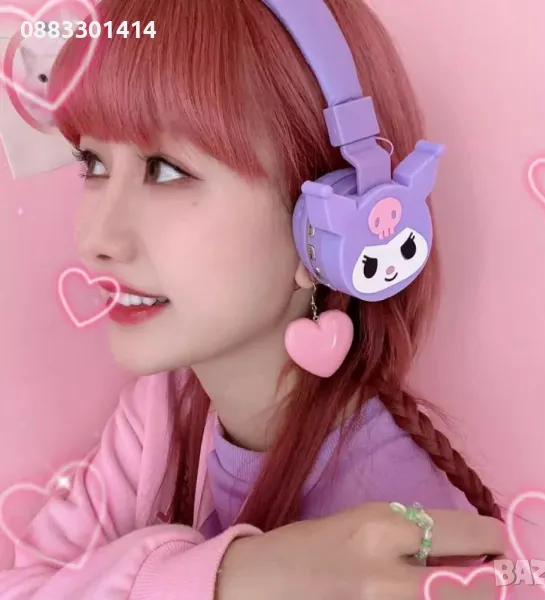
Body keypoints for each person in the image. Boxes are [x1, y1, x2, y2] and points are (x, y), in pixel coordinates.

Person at [0, 0, 507, 597]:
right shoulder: (161, 413)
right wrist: (231, 578)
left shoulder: (402, 532)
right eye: (93, 162)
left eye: (165, 170)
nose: (96, 240)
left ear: (331, 230)